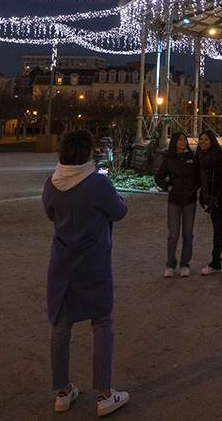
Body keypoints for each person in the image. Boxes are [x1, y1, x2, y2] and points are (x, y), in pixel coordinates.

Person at [43, 129, 130, 416]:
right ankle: (104, 393)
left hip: (62, 261)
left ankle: (63, 390)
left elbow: (50, 213)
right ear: (87, 153)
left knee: (61, 325)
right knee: (102, 322)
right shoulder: (97, 184)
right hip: (93, 261)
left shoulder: (52, 183)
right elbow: (119, 211)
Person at [153, 131, 199, 277]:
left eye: (185, 139)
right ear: (174, 142)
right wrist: (169, 187)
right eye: (180, 140)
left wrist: (194, 188)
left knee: (188, 234)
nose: (183, 142)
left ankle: (185, 264)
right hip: (174, 201)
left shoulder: (192, 158)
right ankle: (170, 264)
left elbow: (199, 176)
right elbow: (158, 177)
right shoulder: (169, 160)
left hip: (189, 201)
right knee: (173, 234)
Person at [197, 129, 222, 280]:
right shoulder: (200, 156)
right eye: (201, 139)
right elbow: (200, 179)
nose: (202, 142)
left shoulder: (218, 156)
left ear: (212, 141)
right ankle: (216, 262)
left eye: (206, 139)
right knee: (217, 230)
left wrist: (217, 199)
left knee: (219, 230)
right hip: (211, 200)